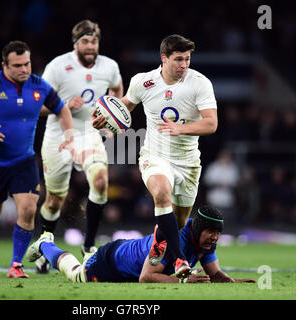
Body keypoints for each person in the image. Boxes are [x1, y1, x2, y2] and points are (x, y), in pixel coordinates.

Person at [92, 34, 218, 277]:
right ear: (164, 58)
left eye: (187, 59)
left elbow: (211, 123)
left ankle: (158, 247)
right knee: (161, 193)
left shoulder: (200, 83)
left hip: (188, 162)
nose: (184, 65)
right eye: (178, 59)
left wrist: (181, 128)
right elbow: (125, 105)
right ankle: (180, 260)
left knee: (178, 225)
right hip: (155, 154)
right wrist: (104, 121)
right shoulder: (143, 82)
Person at [0, 41, 74, 278]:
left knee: (28, 210)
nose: (24, 69)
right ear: (4, 65)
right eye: (17, 65)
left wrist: (69, 137)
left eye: (27, 63)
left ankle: (16, 265)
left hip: (24, 161)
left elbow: (62, 109)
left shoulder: (39, 86)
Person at [36, 19, 123, 273]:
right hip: (59, 135)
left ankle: (88, 245)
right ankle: (45, 245)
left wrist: (112, 113)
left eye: (94, 41)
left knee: (100, 183)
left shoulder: (109, 66)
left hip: (89, 133)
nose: (90, 45)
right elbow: (36, 105)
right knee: (54, 200)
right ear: (75, 44)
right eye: (84, 41)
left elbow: (118, 90)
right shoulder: (58, 67)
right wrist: (62, 105)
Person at [26, 205, 255, 283]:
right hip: (111, 261)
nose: (215, 237)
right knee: (76, 274)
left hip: (130, 253)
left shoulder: (205, 242)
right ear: (197, 229)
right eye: (211, 232)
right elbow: (145, 278)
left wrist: (232, 282)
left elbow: (214, 274)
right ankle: (46, 243)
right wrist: (186, 282)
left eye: (218, 233)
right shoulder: (170, 240)